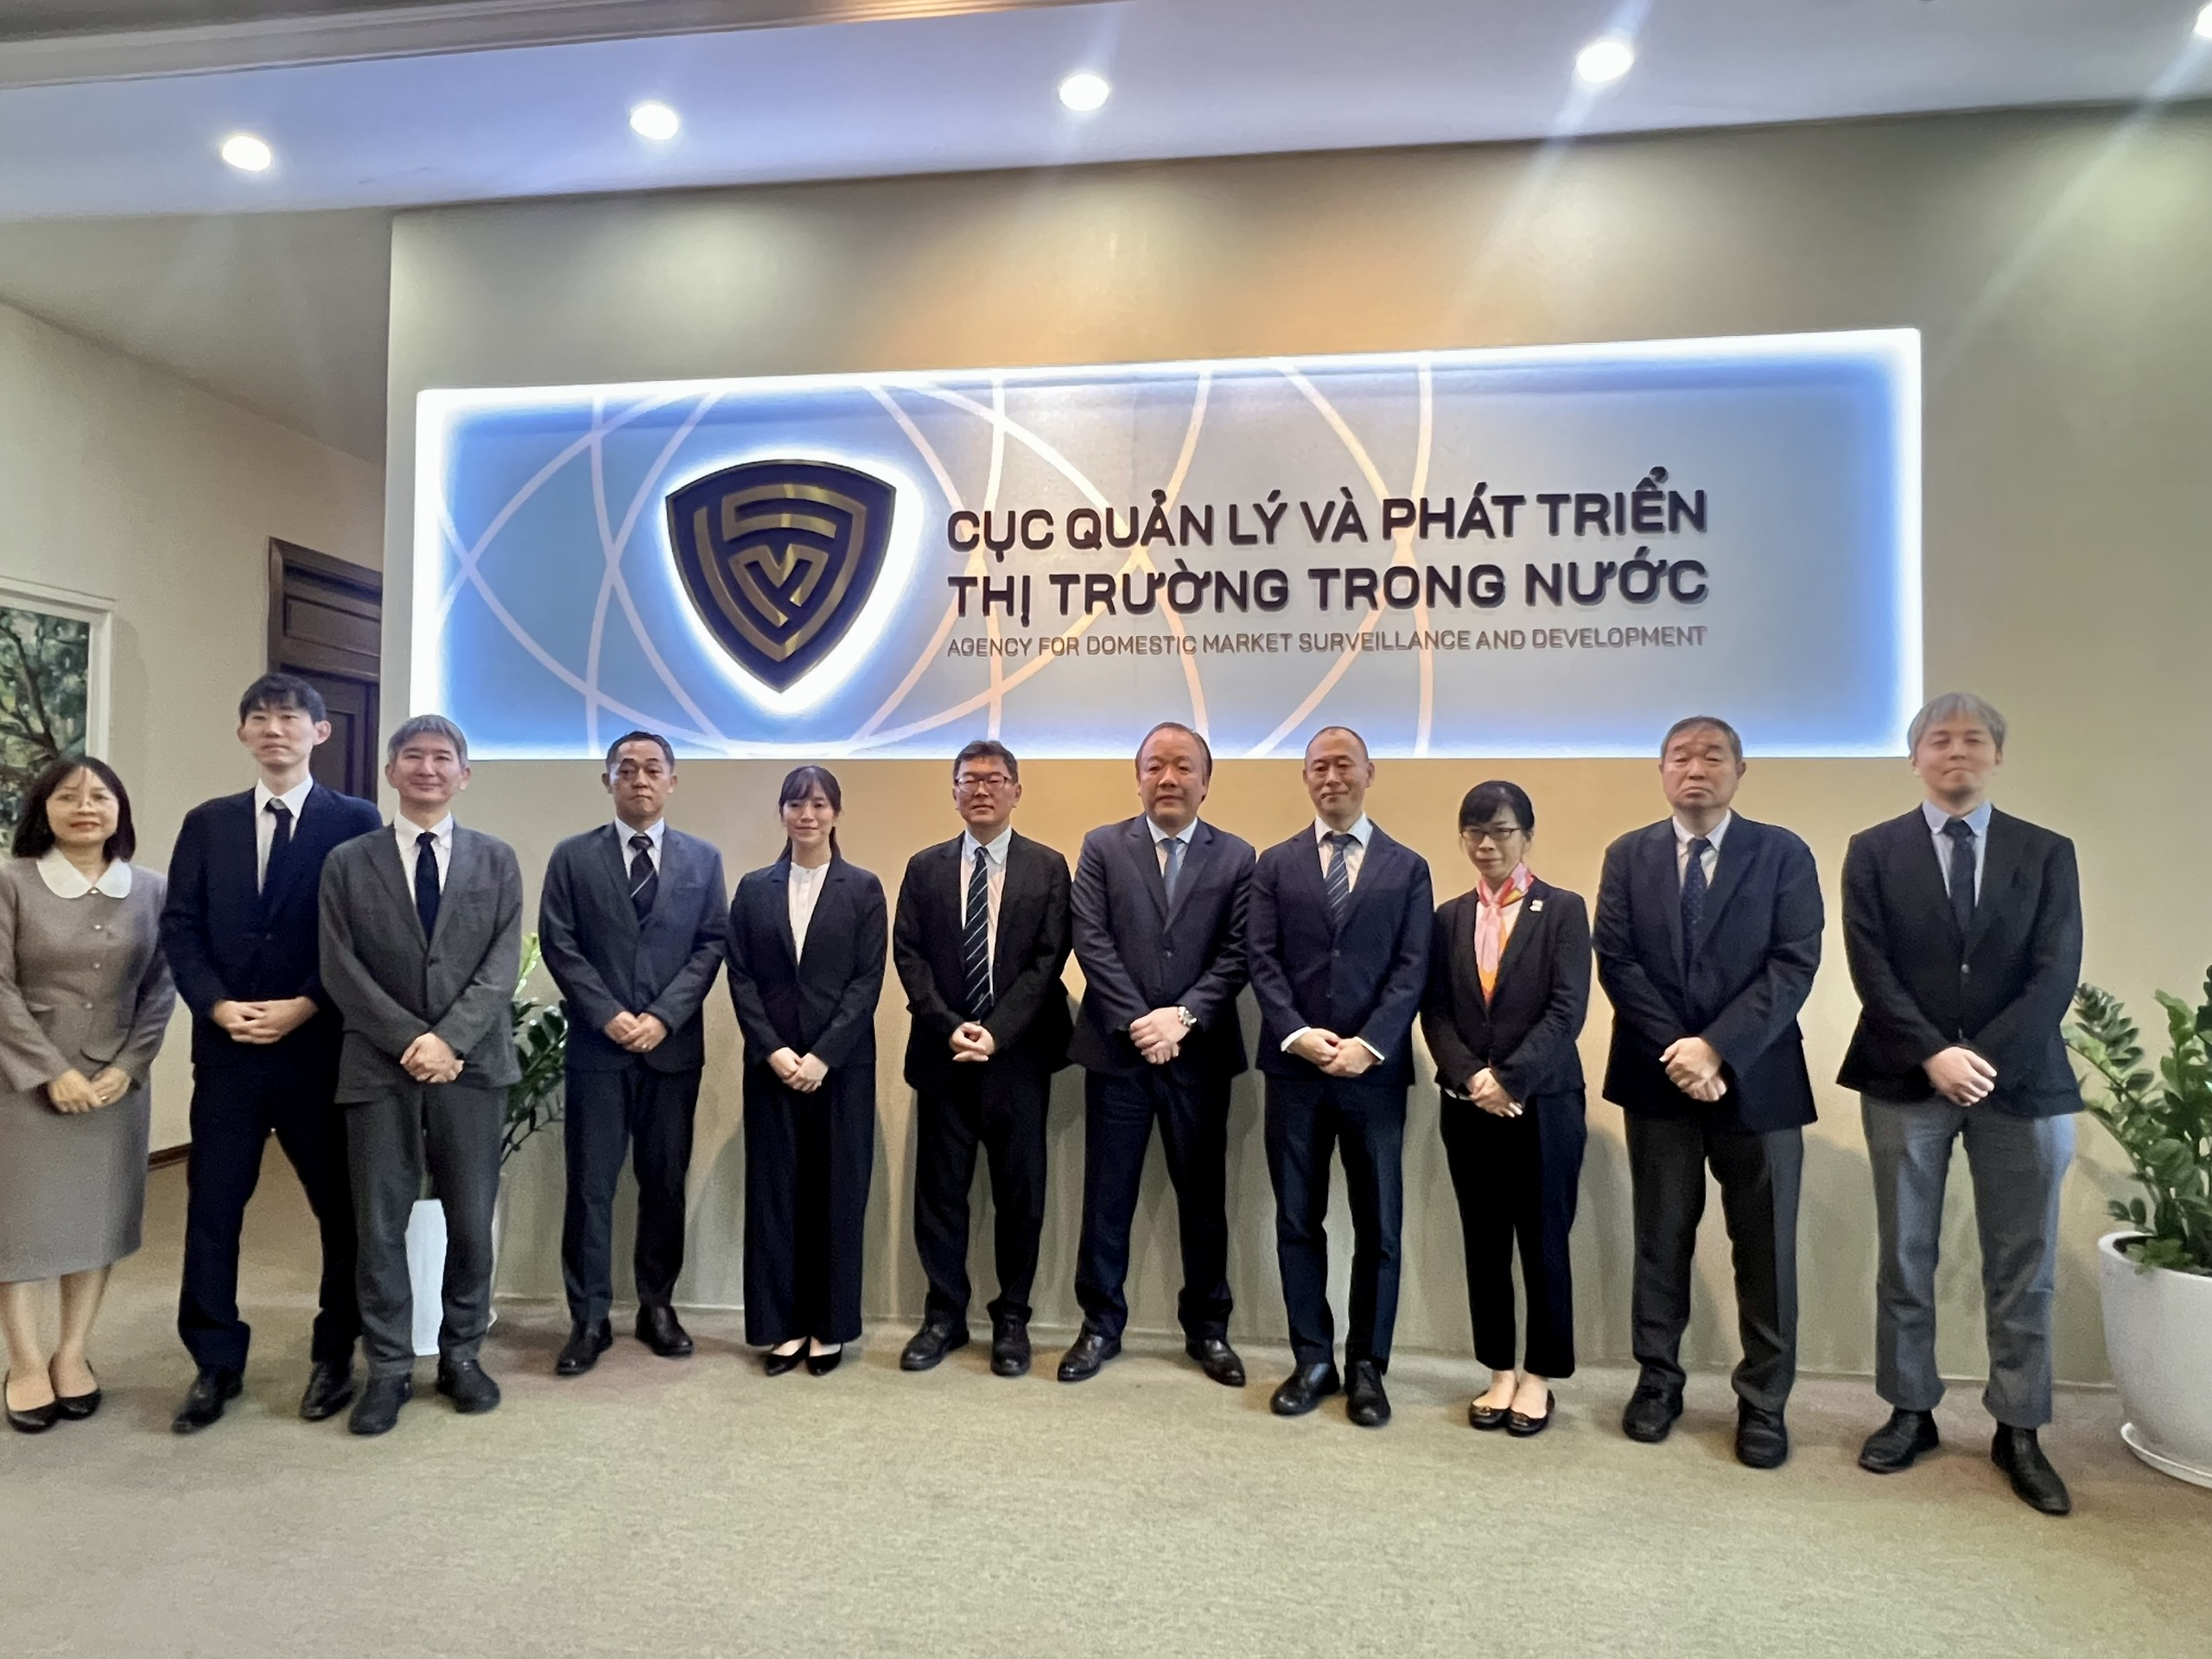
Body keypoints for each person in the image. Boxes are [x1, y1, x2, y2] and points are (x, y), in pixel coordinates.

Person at [1838, 693, 2083, 1515]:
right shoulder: (1873, 851)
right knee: (1906, 1253)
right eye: (1938, 740)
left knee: (2024, 1263)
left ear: (1997, 756)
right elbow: (1870, 967)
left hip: (2023, 1082)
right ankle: (1910, 1410)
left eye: (1973, 739)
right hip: (1907, 1077)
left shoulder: (2046, 852)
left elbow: (2056, 970)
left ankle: (2020, 1426)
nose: (1956, 751)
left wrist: (1983, 1059)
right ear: (1914, 758)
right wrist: (1934, 1053)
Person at [1593, 715, 1822, 1470]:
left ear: (1740, 770)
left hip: (1759, 1079)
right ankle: (1659, 1381)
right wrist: (1682, 1051)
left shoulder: (1783, 852)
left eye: (1713, 756)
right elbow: (1618, 961)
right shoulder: (1628, 856)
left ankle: (1764, 1402)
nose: (1696, 768)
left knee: (1766, 1248)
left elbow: (1793, 962)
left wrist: (1718, 1047)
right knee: (1661, 1238)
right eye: (1680, 756)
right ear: (1662, 770)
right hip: (1659, 1077)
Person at [161, 673, 383, 1434]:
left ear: (320, 732)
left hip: (318, 1047)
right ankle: (214, 1361)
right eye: (259, 718)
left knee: (338, 1210)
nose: (274, 729)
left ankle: (335, 1352)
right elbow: (180, 926)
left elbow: (362, 929)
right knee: (213, 1210)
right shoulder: (208, 822)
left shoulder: (355, 820)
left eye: (289, 718)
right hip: (228, 1050)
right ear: (243, 734)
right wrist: (217, 1005)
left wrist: (308, 1002)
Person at [318, 715, 522, 1436]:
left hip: (472, 1066)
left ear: (464, 775)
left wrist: (450, 1039)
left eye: (442, 758)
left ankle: (462, 1355)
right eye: (413, 756)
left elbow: (501, 964)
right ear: (390, 772)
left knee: (470, 1220)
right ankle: (389, 1368)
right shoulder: (348, 862)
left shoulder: (496, 859)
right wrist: (412, 1040)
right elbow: (339, 964)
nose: (427, 768)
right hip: (380, 1066)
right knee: (378, 1226)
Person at [1246, 728, 1431, 1427]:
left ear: (1369, 773)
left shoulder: (1408, 868)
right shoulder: (1275, 864)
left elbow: (1413, 967)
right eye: (1318, 766)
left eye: (1344, 765)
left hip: (1373, 1076)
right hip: (1294, 1072)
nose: (1332, 777)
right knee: (1298, 1220)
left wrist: (1370, 1045)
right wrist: (1298, 1034)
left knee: (1380, 1227)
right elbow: (1262, 959)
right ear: (1305, 777)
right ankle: (1313, 1359)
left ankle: (1368, 1368)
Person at [1062, 721, 1255, 1388]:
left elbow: (1238, 951)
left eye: (1182, 766)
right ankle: (1099, 1324)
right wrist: (1141, 1020)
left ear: (1206, 780)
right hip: (1118, 1052)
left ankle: (1209, 1329)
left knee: (1203, 1199)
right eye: (1155, 766)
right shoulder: (1101, 846)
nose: (1168, 778)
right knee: (1106, 1196)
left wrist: (1183, 1017)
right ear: (1138, 777)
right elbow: (1089, 937)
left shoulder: (1238, 856)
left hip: (1198, 1056)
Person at [537, 730, 728, 1377]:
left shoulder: (703, 860)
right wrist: (610, 1015)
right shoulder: (573, 857)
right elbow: (560, 944)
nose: (639, 779)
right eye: (626, 769)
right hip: (599, 1049)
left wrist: (663, 1017)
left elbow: (711, 944)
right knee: (590, 1187)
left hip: (671, 1052)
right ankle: (589, 1318)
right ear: (608, 781)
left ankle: (657, 1306)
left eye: (652, 769)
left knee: (664, 1183)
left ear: (672, 780)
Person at [0, 758, 175, 1433]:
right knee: (17, 1227)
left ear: (118, 811)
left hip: (113, 1086)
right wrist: (48, 1070)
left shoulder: (151, 888)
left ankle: (72, 1353)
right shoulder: (11, 882)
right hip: (20, 1083)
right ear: (42, 810)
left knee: (97, 1223)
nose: (84, 807)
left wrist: (130, 1065)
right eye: (68, 796)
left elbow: (161, 987)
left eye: (100, 796)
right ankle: (23, 1362)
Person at [893, 740, 1072, 1379]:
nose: (981, 790)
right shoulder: (924, 867)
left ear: (1016, 791)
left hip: (1018, 1058)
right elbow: (909, 955)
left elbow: (1049, 959)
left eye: (995, 779)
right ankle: (944, 1316)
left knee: (1020, 1195)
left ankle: (1012, 1317)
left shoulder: (1048, 867)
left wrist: (996, 1032)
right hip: (943, 1057)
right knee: (940, 1194)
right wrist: (951, 1028)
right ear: (954, 792)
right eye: (969, 780)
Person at [1421, 781, 1591, 1439]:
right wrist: (1472, 1077)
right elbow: (1435, 1010)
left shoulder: (1563, 910)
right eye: (1475, 832)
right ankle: (1498, 1369)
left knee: (1544, 1240)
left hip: (1544, 1102)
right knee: (1484, 1241)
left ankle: (1540, 1376)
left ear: (1527, 835)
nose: (1486, 844)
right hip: (1469, 1105)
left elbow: (1567, 1009)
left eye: (1500, 831)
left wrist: (1511, 1079)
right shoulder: (1448, 917)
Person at [725, 766, 887, 1377]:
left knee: (837, 1197)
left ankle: (830, 1327)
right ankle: (783, 1327)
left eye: (819, 804)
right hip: (772, 1067)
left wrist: (823, 1055)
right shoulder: (754, 888)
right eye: (796, 804)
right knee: (775, 1200)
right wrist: (773, 1050)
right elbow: (740, 976)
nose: (807, 815)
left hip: (841, 1068)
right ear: (782, 813)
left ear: (836, 813)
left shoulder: (863, 888)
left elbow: (867, 980)